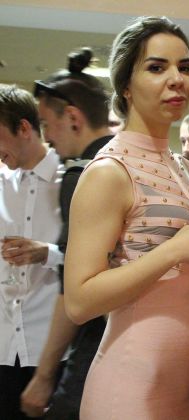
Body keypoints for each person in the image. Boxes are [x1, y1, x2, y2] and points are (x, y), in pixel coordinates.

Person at [63, 17, 189, 419]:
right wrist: (172, 251)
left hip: (184, 389)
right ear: (125, 84)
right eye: (156, 67)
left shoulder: (182, 167)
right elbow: (79, 301)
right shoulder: (110, 171)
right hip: (131, 391)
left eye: (184, 68)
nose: (176, 80)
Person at [20, 47, 113, 419]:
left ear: (73, 118)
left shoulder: (83, 174)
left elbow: (71, 290)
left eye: (47, 124)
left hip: (97, 347)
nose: (48, 138)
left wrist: (43, 376)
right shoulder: (132, 162)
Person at [0, 84, 64, 419]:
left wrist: (48, 253)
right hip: (3, 346)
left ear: (24, 128)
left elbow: (97, 256)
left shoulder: (69, 179)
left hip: (49, 349)